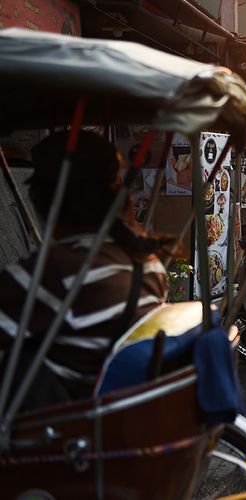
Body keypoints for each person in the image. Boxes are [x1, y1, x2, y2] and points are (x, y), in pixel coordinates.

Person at [0, 130, 169, 405]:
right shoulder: (149, 263)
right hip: (124, 406)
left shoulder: (56, 271)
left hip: (63, 425)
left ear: (45, 200)